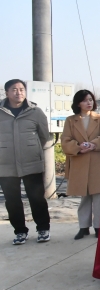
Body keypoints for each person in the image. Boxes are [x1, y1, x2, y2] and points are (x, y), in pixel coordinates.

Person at [0, 79, 52, 244]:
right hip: (5, 165)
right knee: (12, 201)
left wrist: (32, 149)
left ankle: (43, 229)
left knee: (37, 198)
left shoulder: (35, 112)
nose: (19, 92)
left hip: (32, 163)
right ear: (7, 92)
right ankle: (20, 231)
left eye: (22, 89)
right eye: (14, 89)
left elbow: (44, 136)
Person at [61, 90, 100, 239]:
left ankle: (99, 226)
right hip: (80, 161)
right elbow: (65, 140)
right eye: (85, 100)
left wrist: (94, 144)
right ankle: (83, 227)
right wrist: (78, 147)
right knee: (84, 196)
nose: (89, 103)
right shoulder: (71, 121)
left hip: (99, 161)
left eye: (91, 100)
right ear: (78, 103)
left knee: (99, 196)